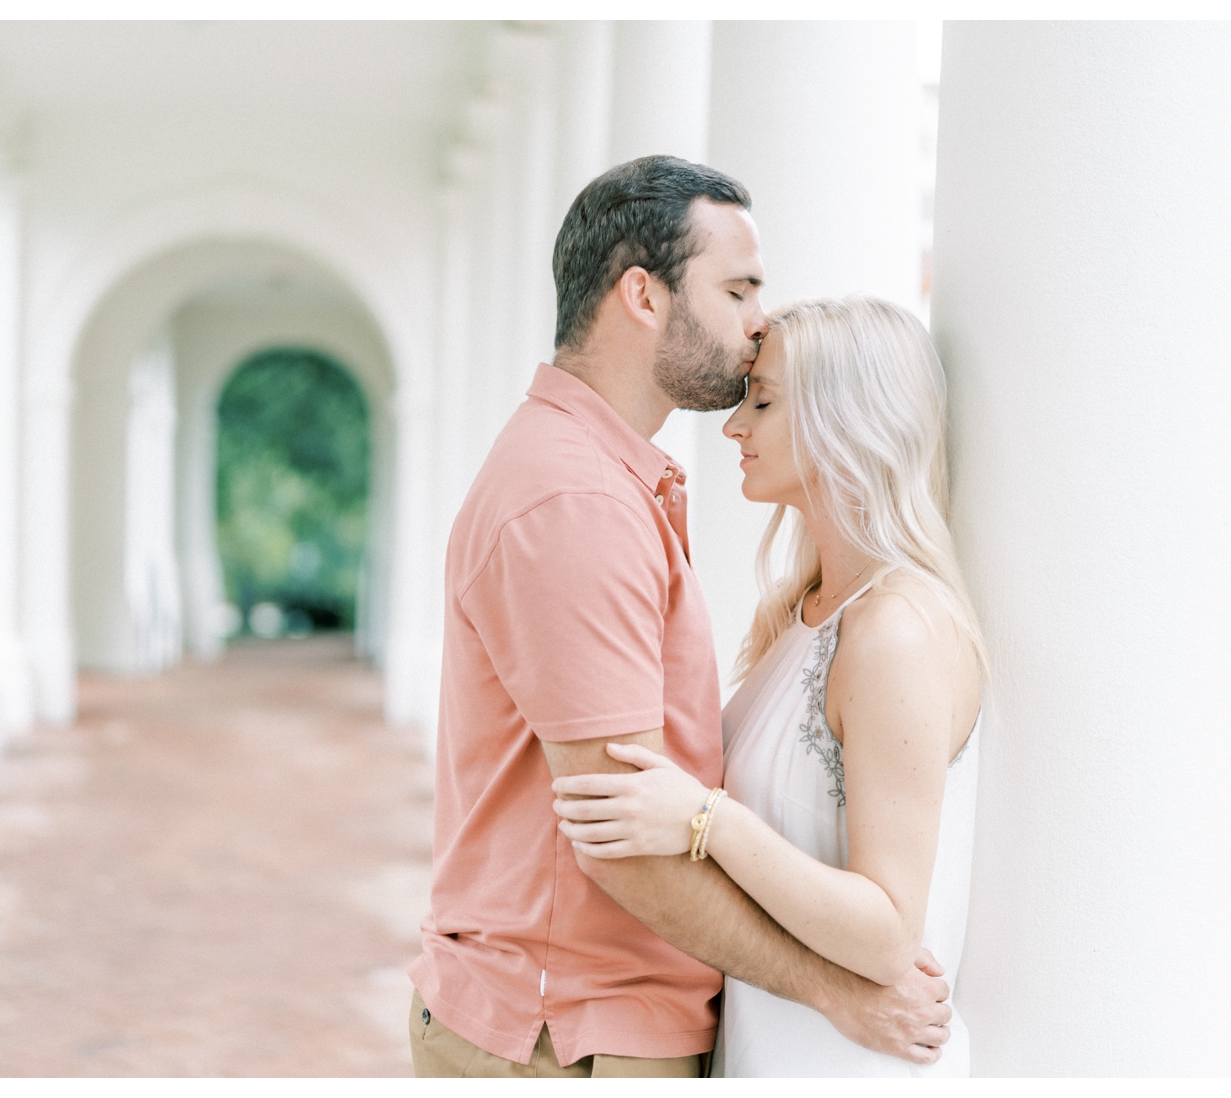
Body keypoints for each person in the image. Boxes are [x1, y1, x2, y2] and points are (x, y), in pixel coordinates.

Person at [407, 157, 954, 1078]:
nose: (758, 323)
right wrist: (832, 989)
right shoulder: (576, 501)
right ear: (643, 295)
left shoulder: (604, 480)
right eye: (737, 289)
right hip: (565, 1038)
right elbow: (622, 844)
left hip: (585, 1028)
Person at [552, 296, 985, 1076]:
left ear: (845, 421)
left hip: (851, 1064)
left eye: (763, 401)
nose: (732, 427)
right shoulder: (804, 613)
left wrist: (705, 820)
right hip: (775, 1045)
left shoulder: (895, 632)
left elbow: (889, 933)